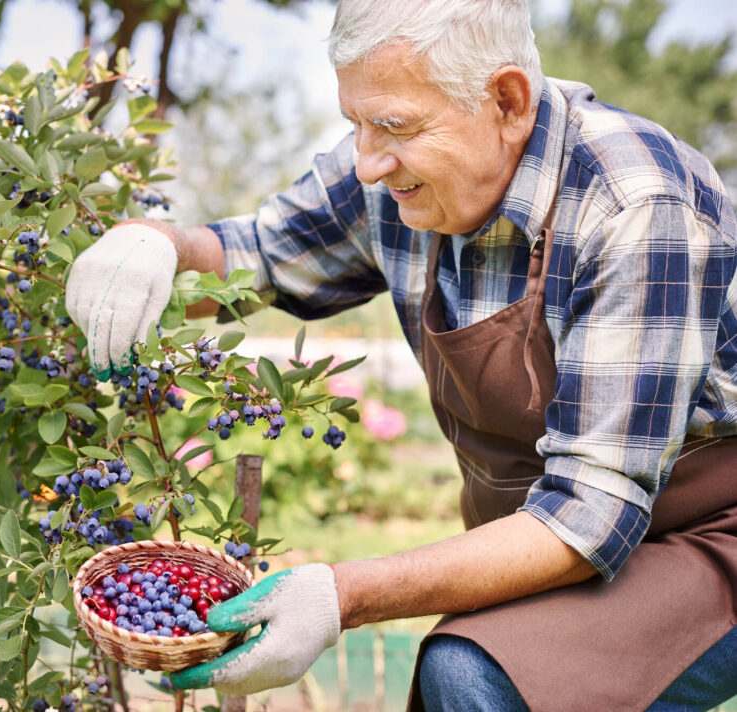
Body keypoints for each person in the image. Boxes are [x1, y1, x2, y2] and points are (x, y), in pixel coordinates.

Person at [65, 0, 737, 709]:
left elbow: (589, 514)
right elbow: (252, 256)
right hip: (558, 530)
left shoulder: (638, 205)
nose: (366, 162)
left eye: (392, 126)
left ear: (506, 100)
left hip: (708, 535)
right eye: (355, 123)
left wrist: (341, 595)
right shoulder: (394, 176)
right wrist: (153, 247)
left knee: (474, 674)